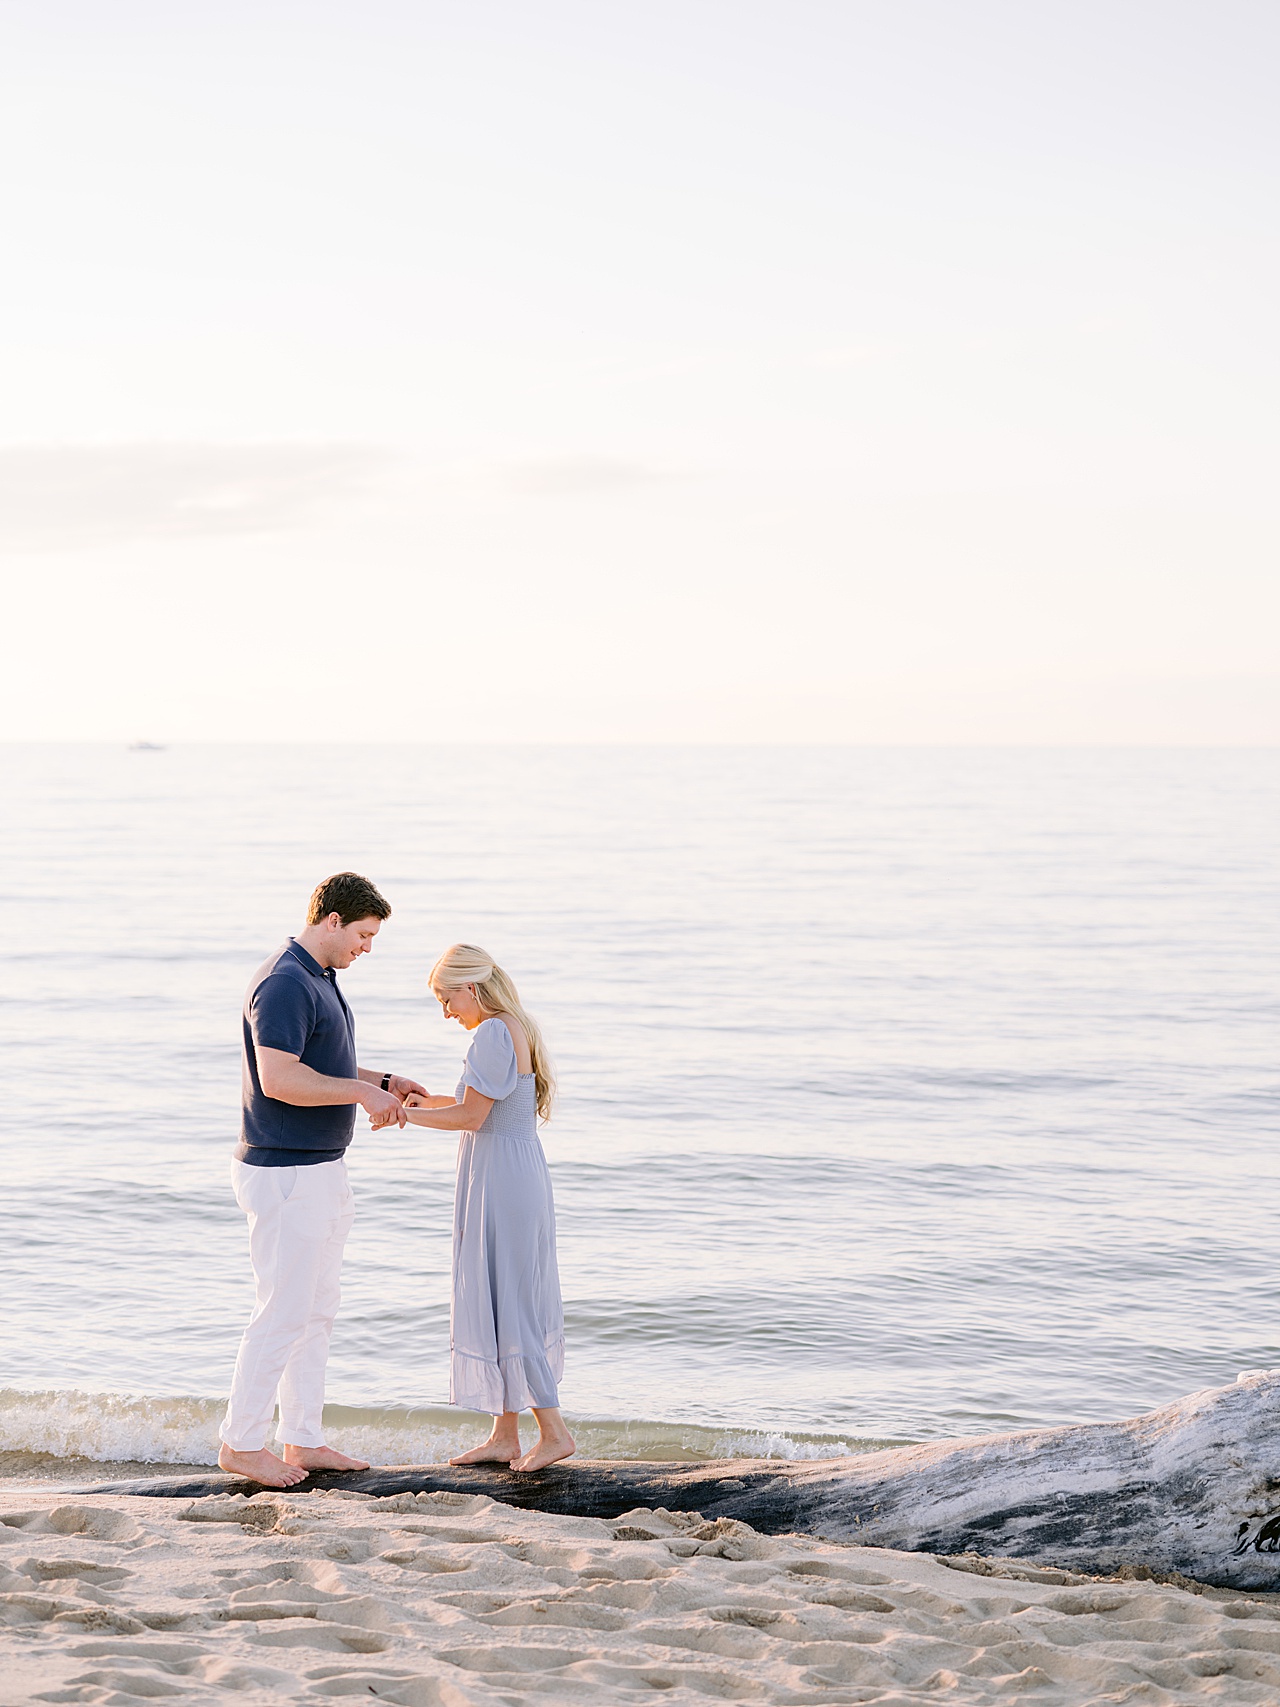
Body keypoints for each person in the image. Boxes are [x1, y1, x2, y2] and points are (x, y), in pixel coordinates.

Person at [218, 872, 425, 1489]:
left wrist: (382, 1082)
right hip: (284, 1172)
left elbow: (321, 1062)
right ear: (332, 920)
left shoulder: (319, 977)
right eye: (363, 934)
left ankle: (302, 1438)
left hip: (320, 1169)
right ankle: (240, 1443)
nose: (367, 947)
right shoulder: (283, 981)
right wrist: (361, 1093)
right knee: (282, 1311)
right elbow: (279, 1078)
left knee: (316, 1312)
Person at [381, 943, 573, 1473]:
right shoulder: (512, 1024)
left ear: (471, 988)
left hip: (503, 1182)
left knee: (510, 1303)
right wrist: (424, 1102)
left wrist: (403, 1117)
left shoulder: (493, 1031)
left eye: (447, 999)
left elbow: (471, 1118)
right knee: (499, 1299)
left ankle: (554, 1433)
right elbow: (479, 1107)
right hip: (508, 1173)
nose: (446, 1012)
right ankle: (504, 1435)